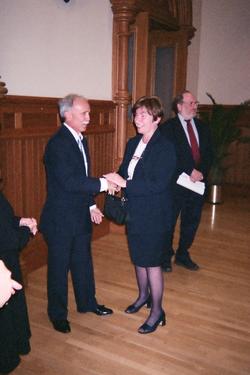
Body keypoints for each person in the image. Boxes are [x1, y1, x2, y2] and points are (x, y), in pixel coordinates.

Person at [39, 94, 114, 334]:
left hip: (79, 214)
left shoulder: (81, 140)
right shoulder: (58, 144)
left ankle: (87, 303)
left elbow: (81, 179)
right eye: (84, 114)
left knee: (83, 263)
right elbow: (70, 182)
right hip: (60, 220)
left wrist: (91, 205)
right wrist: (104, 183)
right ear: (67, 115)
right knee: (58, 270)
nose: (89, 118)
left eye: (89, 113)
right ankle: (57, 315)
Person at [104, 96, 176, 334]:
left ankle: (157, 311)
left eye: (144, 114)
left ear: (157, 118)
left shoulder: (165, 146)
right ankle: (143, 297)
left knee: (152, 263)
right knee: (138, 258)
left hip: (155, 214)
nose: (138, 119)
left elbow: (158, 184)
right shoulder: (133, 143)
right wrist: (115, 179)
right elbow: (125, 171)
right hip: (134, 211)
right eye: (136, 114)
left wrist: (125, 182)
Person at [160, 90, 213, 272]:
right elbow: (168, 156)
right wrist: (188, 170)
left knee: (192, 221)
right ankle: (165, 256)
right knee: (168, 221)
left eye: (195, 103)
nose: (194, 106)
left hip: (197, 183)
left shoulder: (203, 127)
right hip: (175, 184)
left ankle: (183, 254)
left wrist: (200, 172)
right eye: (191, 103)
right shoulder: (168, 128)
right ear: (179, 106)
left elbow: (209, 154)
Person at [0, 185, 38, 374]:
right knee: (6, 317)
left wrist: (21, 221)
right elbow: (10, 240)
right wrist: (27, 231)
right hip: (3, 263)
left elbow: (5, 221)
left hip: (7, 262)